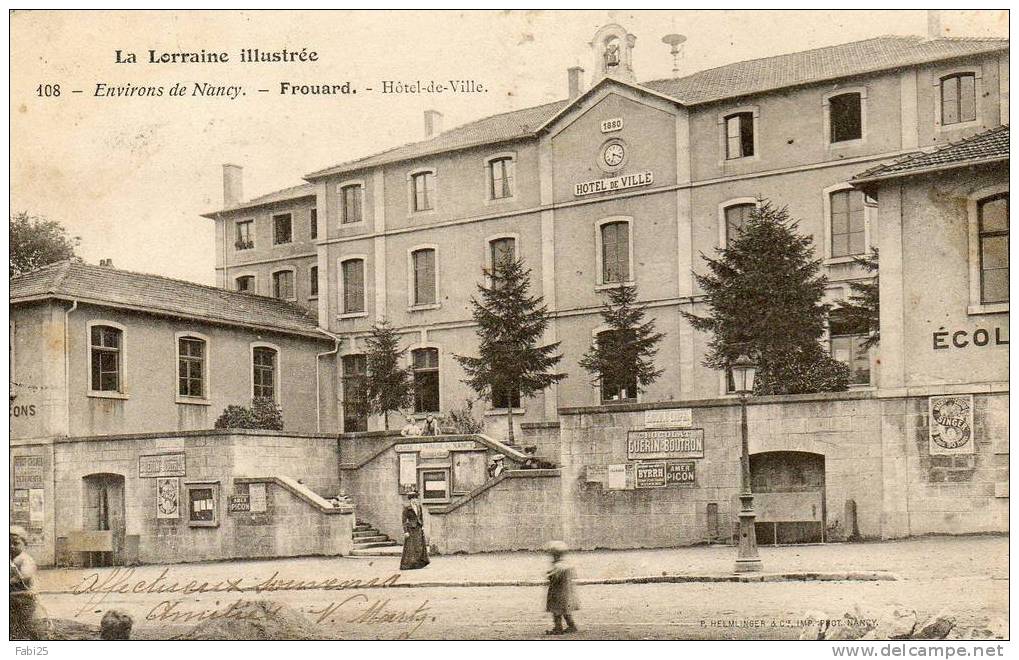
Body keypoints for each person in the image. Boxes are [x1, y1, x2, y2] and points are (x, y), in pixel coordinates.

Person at [10, 525, 41, 640]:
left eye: (16, 543)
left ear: (25, 544)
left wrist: (11, 580)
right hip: (14, 596)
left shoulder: (25, 559)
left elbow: (26, 576)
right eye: (8, 543)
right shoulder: (11, 558)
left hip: (26, 597)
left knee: (24, 624)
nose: (11, 546)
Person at [544, 541, 579, 635]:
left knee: (556, 612)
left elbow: (553, 578)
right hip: (566, 591)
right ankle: (572, 626)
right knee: (566, 611)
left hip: (557, 592)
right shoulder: (567, 565)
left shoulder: (557, 566)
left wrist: (549, 575)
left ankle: (558, 627)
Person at [399, 492, 430, 570]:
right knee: (410, 547)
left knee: (419, 546)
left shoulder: (419, 506)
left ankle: (418, 563)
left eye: (416, 498)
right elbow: (404, 520)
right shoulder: (407, 507)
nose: (416, 500)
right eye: (414, 498)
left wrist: (422, 526)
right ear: (411, 499)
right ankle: (408, 564)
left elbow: (421, 517)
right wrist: (405, 531)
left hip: (418, 527)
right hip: (411, 529)